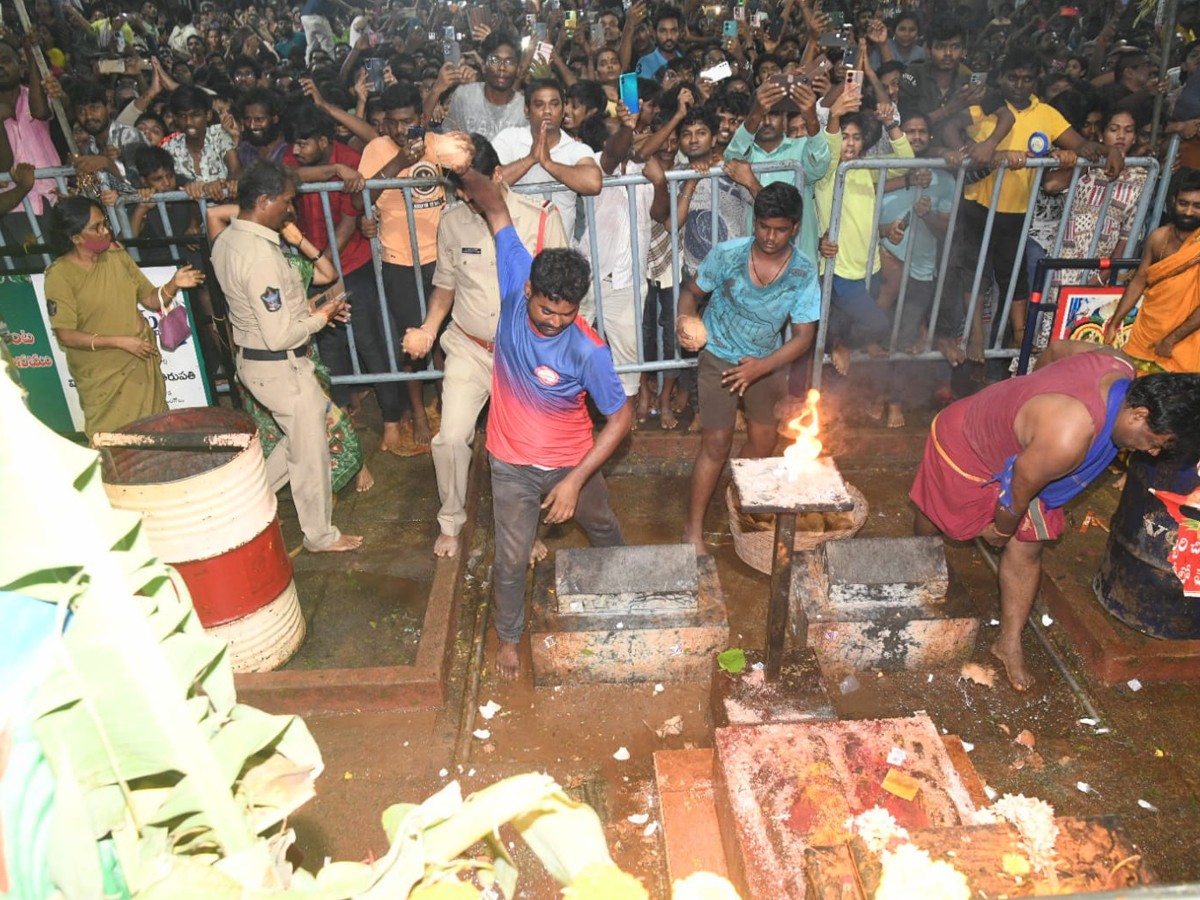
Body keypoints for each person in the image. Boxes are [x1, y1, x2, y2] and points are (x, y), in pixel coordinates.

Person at [910, 341, 1200, 691]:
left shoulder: (1119, 364)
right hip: (969, 443)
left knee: (1029, 548)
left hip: (1035, 456)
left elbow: (1057, 349)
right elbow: (1018, 492)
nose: (1152, 452)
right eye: (1155, 442)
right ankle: (915, 563)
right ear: (1138, 415)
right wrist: (1001, 530)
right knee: (936, 515)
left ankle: (1008, 642)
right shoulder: (1067, 437)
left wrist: (1031, 398)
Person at [459, 163, 632, 680]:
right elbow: (494, 206)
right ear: (528, 288)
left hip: (570, 461)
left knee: (601, 525)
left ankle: (622, 589)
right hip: (510, 462)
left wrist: (575, 482)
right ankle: (509, 638)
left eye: (566, 312)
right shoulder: (515, 282)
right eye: (545, 310)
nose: (554, 321)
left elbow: (621, 419)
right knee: (510, 559)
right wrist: (462, 166)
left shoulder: (588, 348)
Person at [402, 134, 568, 559]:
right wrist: (427, 327)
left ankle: (528, 530)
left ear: (495, 176)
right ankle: (451, 521)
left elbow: (564, 293)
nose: (462, 195)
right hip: (470, 348)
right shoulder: (453, 222)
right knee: (451, 438)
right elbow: (445, 285)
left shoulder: (540, 219)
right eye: (456, 187)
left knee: (530, 448)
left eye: (468, 184)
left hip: (524, 354)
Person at [210, 160, 363, 553]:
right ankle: (320, 535)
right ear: (264, 200)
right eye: (286, 201)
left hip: (257, 361)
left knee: (294, 444)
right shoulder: (260, 256)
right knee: (309, 456)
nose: (289, 210)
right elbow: (280, 335)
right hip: (280, 366)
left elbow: (264, 311)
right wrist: (321, 317)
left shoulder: (228, 240)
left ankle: (238, 498)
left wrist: (307, 309)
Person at [675, 183, 821, 556]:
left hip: (768, 363)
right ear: (754, 222)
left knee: (763, 440)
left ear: (795, 227)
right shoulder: (727, 255)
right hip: (720, 356)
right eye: (764, 227)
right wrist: (685, 318)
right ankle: (692, 530)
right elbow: (692, 292)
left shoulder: (803, 272)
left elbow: (804, 337)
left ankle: (737, 497)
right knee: (716, 443)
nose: (771, 237)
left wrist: (761, 369)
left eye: (781, 229)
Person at [44, 196, 203, 437]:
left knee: (156, 432)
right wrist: (119, 342)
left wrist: (174, 284)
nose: (106, 230)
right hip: (103, 374)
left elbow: (151, 300)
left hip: (140, 363)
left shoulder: (116, 254)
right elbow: (66, 335)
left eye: (104, 222)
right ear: (75, 238)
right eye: (96, 227)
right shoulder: (60, 275)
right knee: (116, 442)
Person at [1104, 168, 1200, 373]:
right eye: (1184, 203)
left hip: (1185, 343)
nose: (1189, 212)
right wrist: (1115, 321)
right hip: (1146, 335)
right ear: (1173, 201)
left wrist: (1170, 340)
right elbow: (1139, 280)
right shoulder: (1158, 237)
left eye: (1197, 206)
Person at [440, 31, 526, 140]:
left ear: (518, 69)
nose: (502, 67)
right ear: (484, 66)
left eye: (509, 62)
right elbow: (448, 140)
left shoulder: (524, 109)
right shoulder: (464, 96)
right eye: (495, 60)